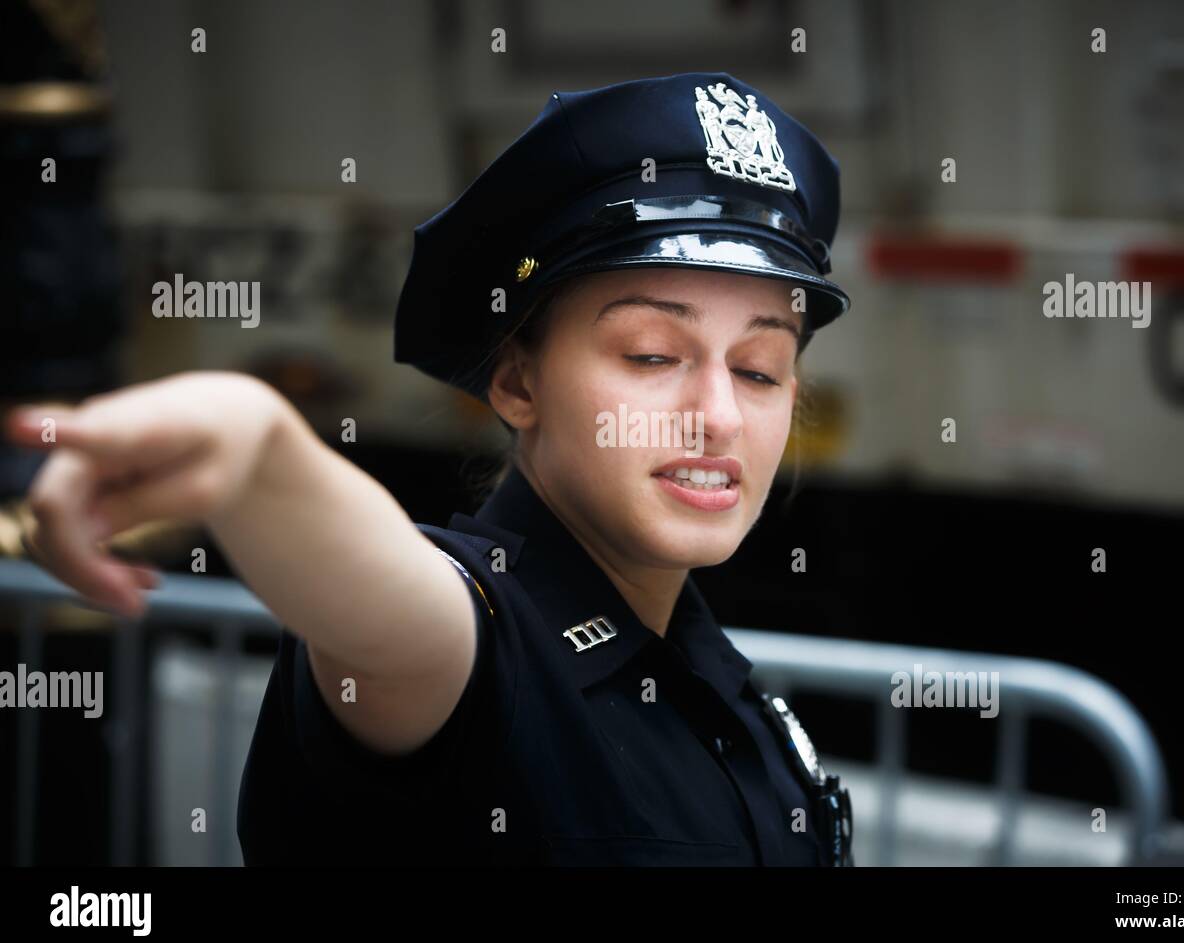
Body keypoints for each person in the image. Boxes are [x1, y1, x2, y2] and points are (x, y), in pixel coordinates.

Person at [5, 71, 855, 866]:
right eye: (650, 353)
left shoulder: (722, 687)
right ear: (518, 380)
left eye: (758, 369)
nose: (717, 414)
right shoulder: (476, 648)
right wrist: (261, 451)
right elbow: (389, 611)